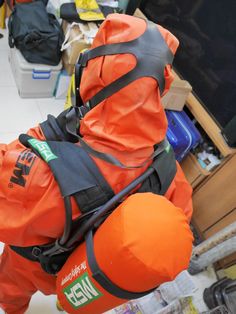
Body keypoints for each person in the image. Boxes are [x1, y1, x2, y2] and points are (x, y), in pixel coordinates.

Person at [0, 14, 193, 314]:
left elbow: (10, 187)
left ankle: (12, 308)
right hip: (82, 271)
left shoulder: (39, 179)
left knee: (10, 288)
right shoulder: (169, 171)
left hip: (30, 268)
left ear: (95, 73)